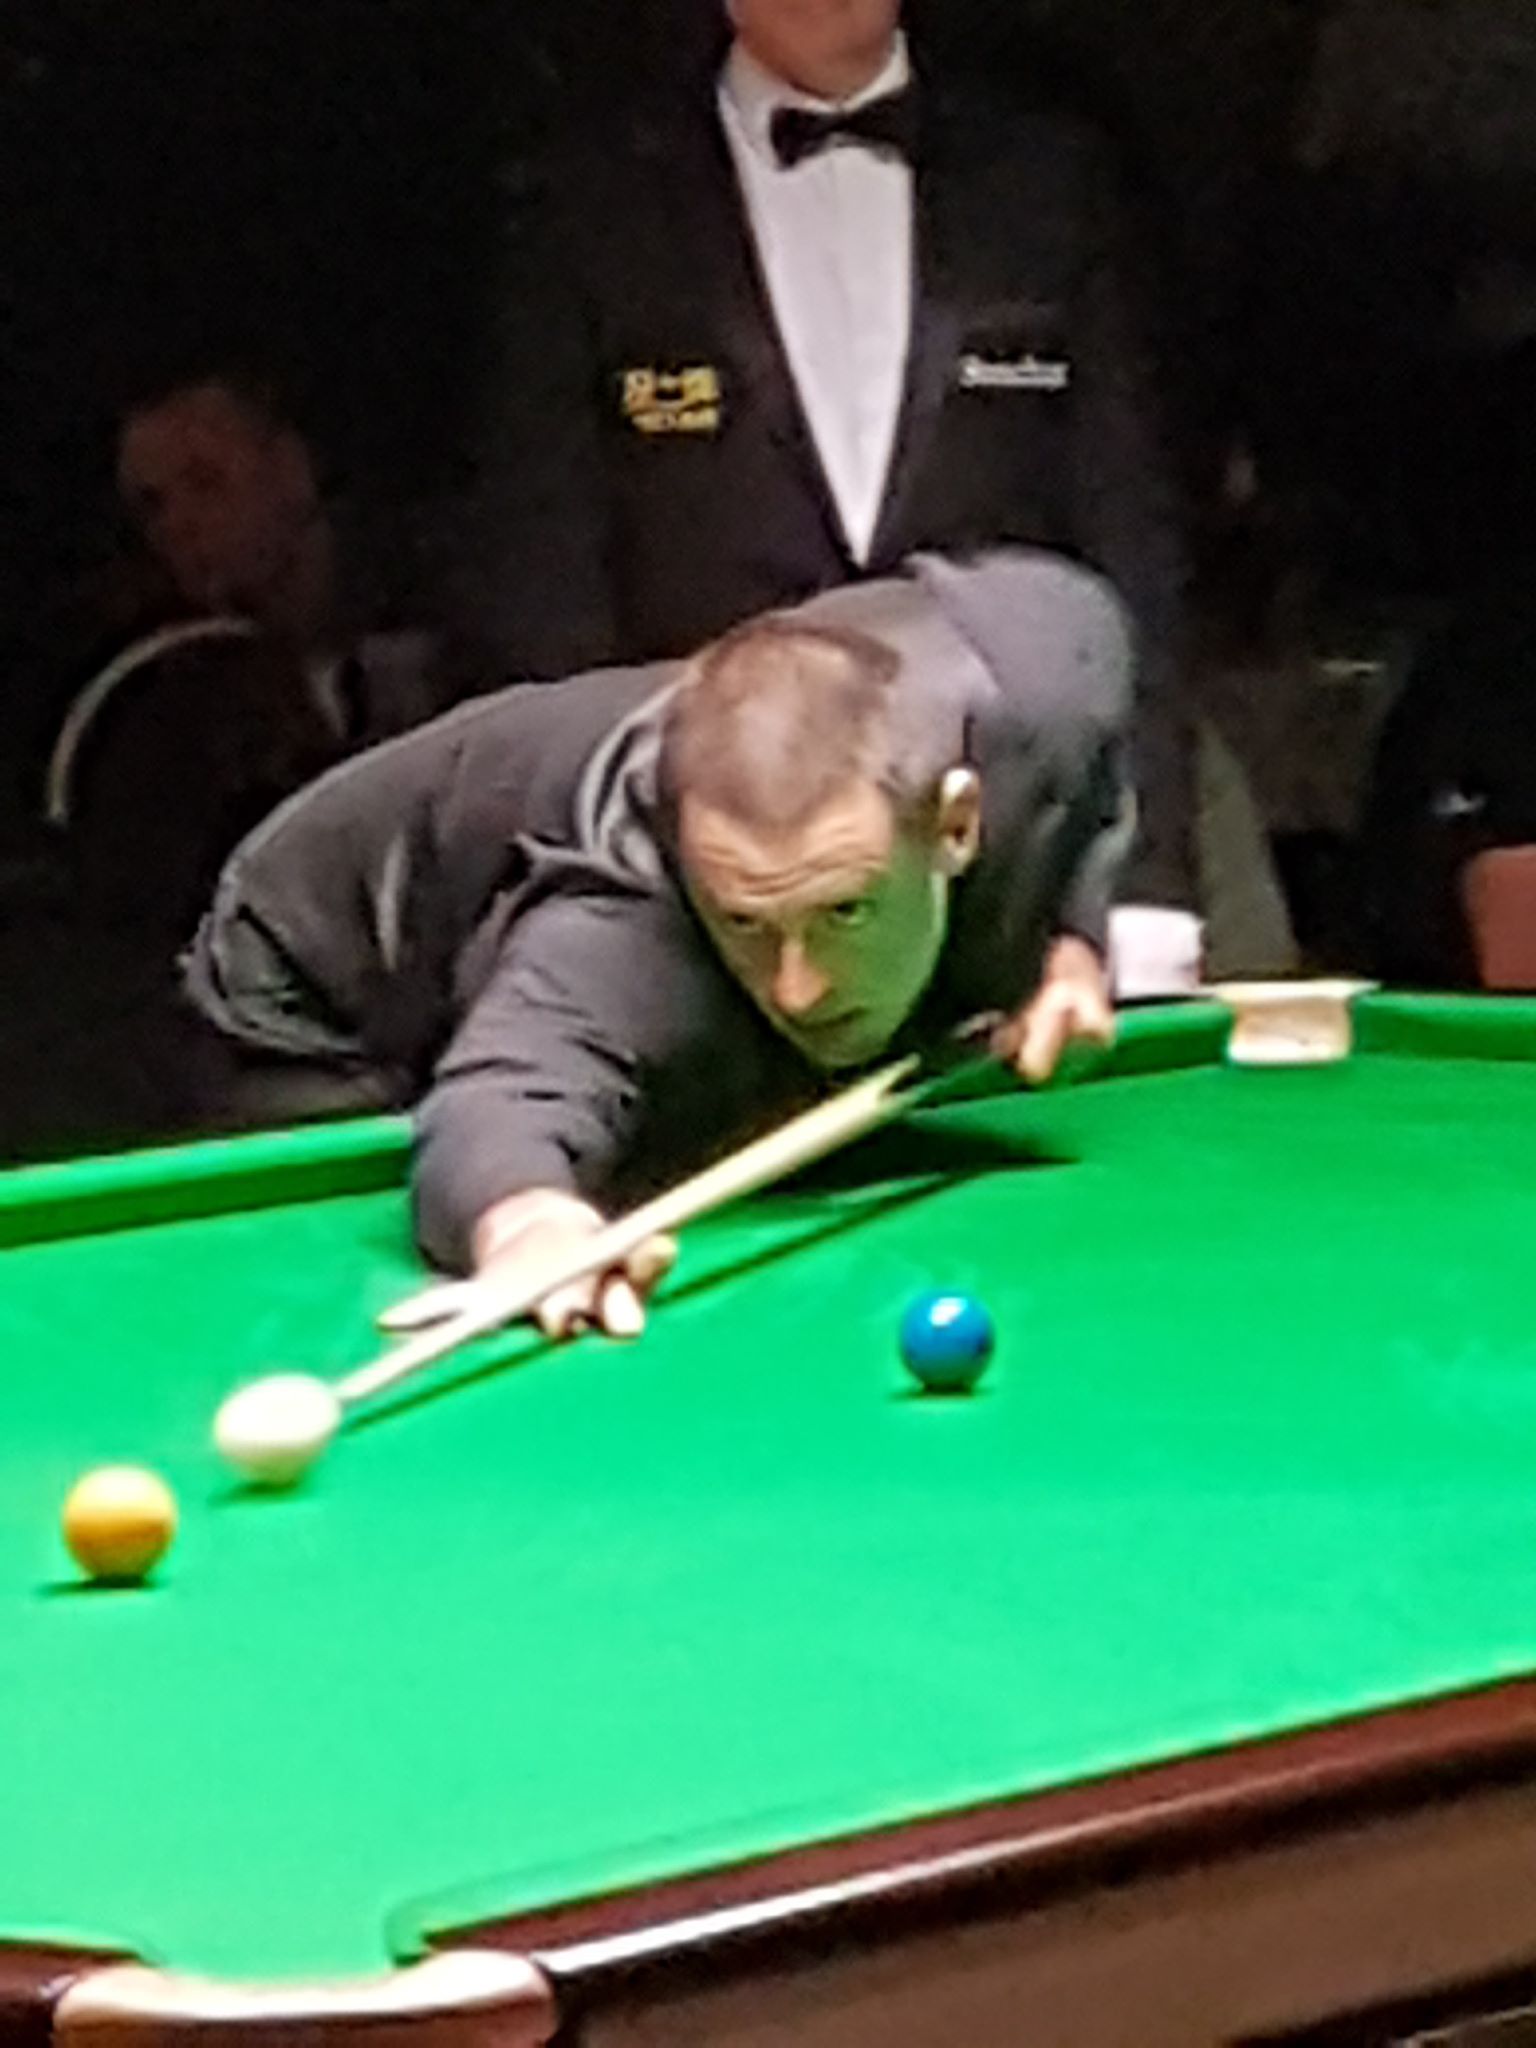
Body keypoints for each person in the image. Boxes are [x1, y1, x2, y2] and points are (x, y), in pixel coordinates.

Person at [187, 549, 1131, 1334]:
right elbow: (503, 1097)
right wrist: (531, 1228)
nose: (797, 988)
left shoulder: (1041, 672)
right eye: (746, 922)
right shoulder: (626, 908)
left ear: (958, 824)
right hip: (314, 977)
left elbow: (1084, 709)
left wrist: (1065, 933)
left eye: (843, 911)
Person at [448, 0, 1199, 980]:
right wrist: (585, 897)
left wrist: (1139, 889)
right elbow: (543, 575)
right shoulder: (585, 204)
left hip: (1004, 884)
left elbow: (1130, 545)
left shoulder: (1051, 181)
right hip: (715, 905)